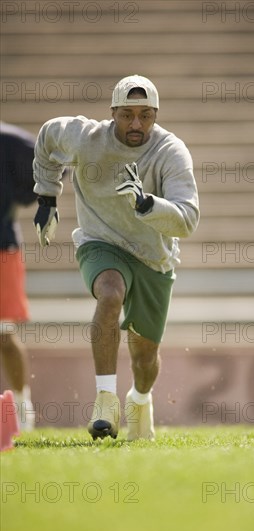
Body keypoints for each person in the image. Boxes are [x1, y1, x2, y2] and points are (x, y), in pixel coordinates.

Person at [32, 75, 200, 440]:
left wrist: (148, 203)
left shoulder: (171, 151)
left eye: (145, 115)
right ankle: (105, 398)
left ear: (155, 115)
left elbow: (188, 219)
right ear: (113, 113)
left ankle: (139, 400)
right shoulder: (85, 136)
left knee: (144, 358)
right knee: (110, 292)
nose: (136, 124)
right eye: (127, 115)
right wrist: (47, 197)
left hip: (153, 256)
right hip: (100, 241)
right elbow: (46, 137)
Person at [0, 121, 37, 431]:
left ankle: (23, 409)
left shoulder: (9, 139)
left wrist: (24, 195)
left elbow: (49, 167)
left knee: (3, 331)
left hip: (2, 246)